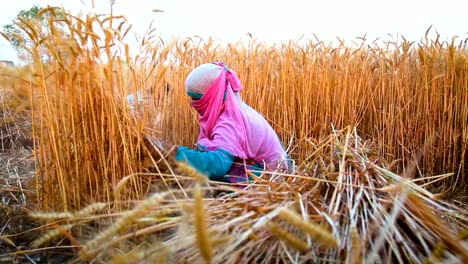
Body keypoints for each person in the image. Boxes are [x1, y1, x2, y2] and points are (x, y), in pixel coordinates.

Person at [175, 62, 290, 183]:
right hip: (261, 171)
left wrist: (173, 154)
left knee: (212, 180)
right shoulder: (230, 110)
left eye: (196, 98)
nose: (193, 104)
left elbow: (217, 165)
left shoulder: (231, 121)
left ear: (213, 96)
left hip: (269, 180)